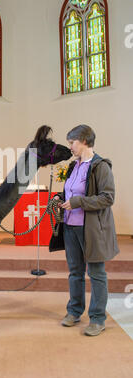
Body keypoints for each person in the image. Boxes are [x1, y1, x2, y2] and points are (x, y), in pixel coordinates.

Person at [54, 124, 119, 336]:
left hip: (91, 230)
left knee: (97, 274)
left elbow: (107, 198)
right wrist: (60, 199)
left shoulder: (101, 166)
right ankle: (74, 311)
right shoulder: (74, 166)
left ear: (83, 141)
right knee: (75, 272)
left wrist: (78, 202)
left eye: (72, 143)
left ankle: (98, 319)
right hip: (70, 227)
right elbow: (70, 192)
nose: (70, 147)